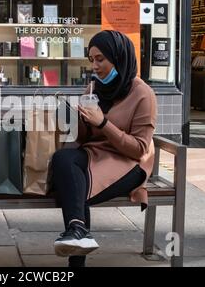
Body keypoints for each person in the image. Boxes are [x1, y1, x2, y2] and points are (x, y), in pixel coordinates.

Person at [51, 30, 157, 267]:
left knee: (77, 189)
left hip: (129, 163)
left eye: (100, 59)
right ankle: (78, 229)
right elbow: (86, 137)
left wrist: (102, 122)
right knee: (62, 159)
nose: (95, 67)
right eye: (91, 60)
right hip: (95, 155)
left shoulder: (143, 94)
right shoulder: (94, 89)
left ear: (118, 57)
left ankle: (76, 251)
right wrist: (78, 118)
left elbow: (139, 149)